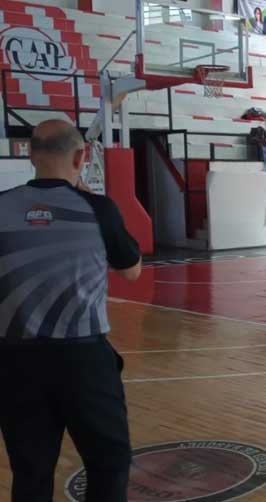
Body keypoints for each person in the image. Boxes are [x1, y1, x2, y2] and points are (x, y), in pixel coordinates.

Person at [0, 120, 141, 502]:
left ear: (30, 153)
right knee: (108, 463)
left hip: (14, 360)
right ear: (81, 156)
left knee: (30, 470)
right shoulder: (97, 208)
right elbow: (131, 271)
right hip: (83, 360)